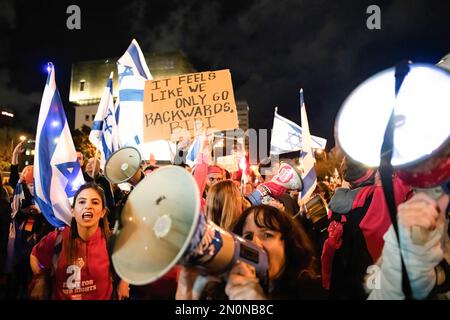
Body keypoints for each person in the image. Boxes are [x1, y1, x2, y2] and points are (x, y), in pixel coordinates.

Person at [321, 156, 412, 299]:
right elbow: (412, 177)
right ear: (374, 172)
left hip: (352, 283)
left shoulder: (335, 204)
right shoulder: (385, 196)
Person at [29, 182, 129, 300]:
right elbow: (35, 256)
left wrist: (124, 282)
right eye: (82, 202)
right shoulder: (57, 238)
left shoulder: (112, 241)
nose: (88, 206)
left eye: (95, 202)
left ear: (102, 212)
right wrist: (41, 278)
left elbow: (128, 264)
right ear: (72, 211)